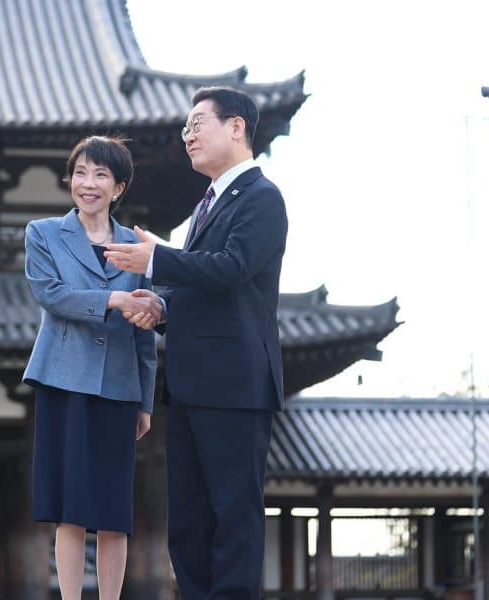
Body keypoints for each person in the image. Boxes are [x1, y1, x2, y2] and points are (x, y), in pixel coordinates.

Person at [104, 86, 288, 599]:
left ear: (236, 128)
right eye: (184, 128)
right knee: (187, 520)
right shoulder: (207, 205)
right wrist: (161, 306)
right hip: (189, 385)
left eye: (197, 123)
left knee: (233, 516)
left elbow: (232, 270)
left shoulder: (262, 196)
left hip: (235, 384)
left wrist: (156, 259)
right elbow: (205, 292)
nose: (187, 135)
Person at [22, 135, 162, 600]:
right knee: (70, 506)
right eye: (80, 172)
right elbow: (52, 295)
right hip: (63, 379)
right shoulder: (43, 233)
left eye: (101, 175)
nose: (88, 183)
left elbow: (144, 332)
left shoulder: (137, 247)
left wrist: (145, 400)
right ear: (70, 180)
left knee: (112, 507)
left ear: (118, 187)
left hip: (120, 386)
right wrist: (113, 299)